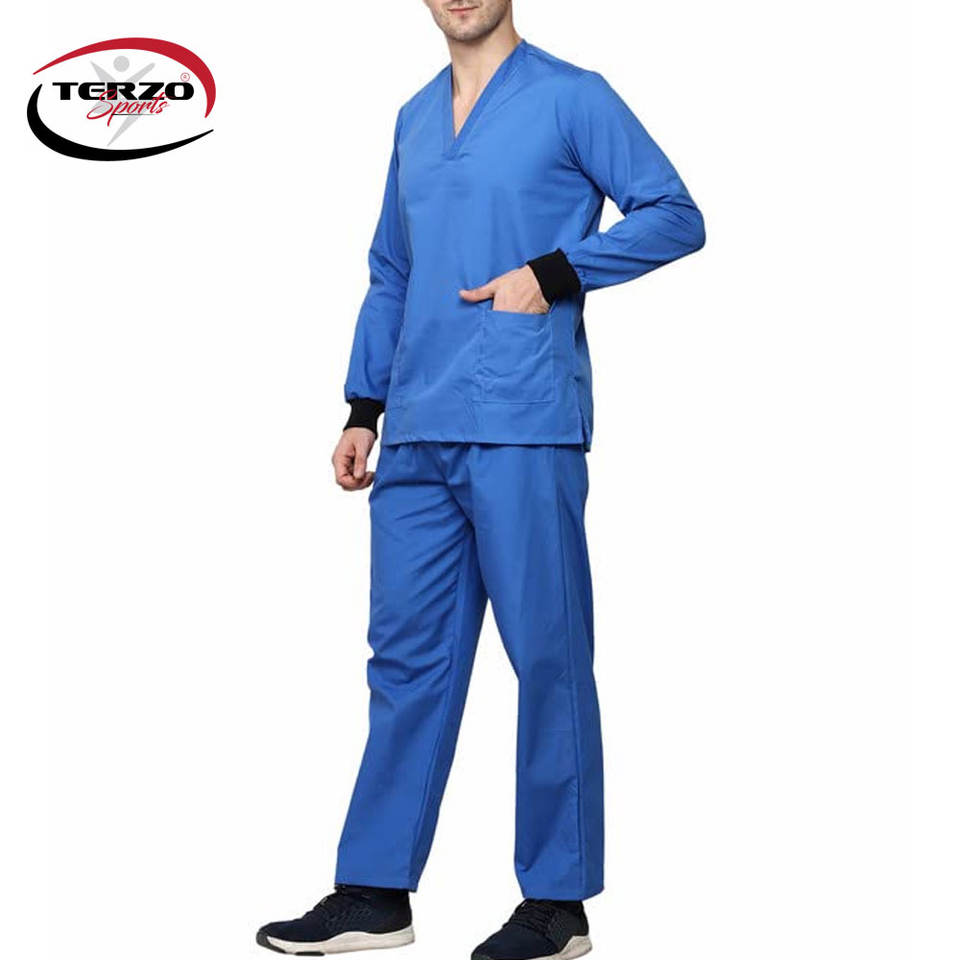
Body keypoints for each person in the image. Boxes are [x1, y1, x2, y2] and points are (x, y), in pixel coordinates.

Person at [257, 1, 704, 957]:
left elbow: (676, 215)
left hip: (522, 416)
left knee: (547, 655)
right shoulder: (414, 117)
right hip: (418, 427)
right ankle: (375, 890)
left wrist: (556, 270)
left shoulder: (572, 97)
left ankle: (558, 904)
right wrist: (364, 406)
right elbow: (391, 268)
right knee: (405, 662)